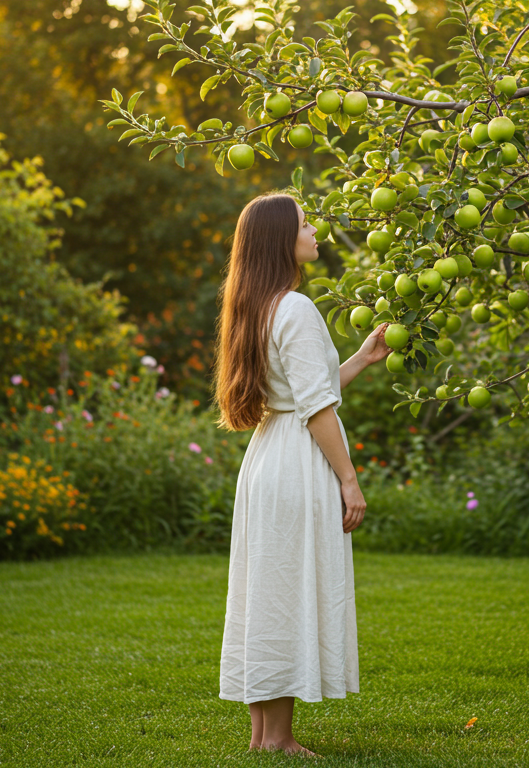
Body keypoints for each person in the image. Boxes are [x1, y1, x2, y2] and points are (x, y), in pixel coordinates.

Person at [213, 191, 391, 757]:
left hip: (266, 458)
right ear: (281, 240)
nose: (315, 230)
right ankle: (280, 738)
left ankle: (265, 736)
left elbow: (300, 392)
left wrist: (360, 359)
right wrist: (349, 478)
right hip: (295, 462)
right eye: (305, 223)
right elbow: (316, 409)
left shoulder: (256, 307)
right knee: (285, 591)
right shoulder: (295, 307)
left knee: (267, 592)